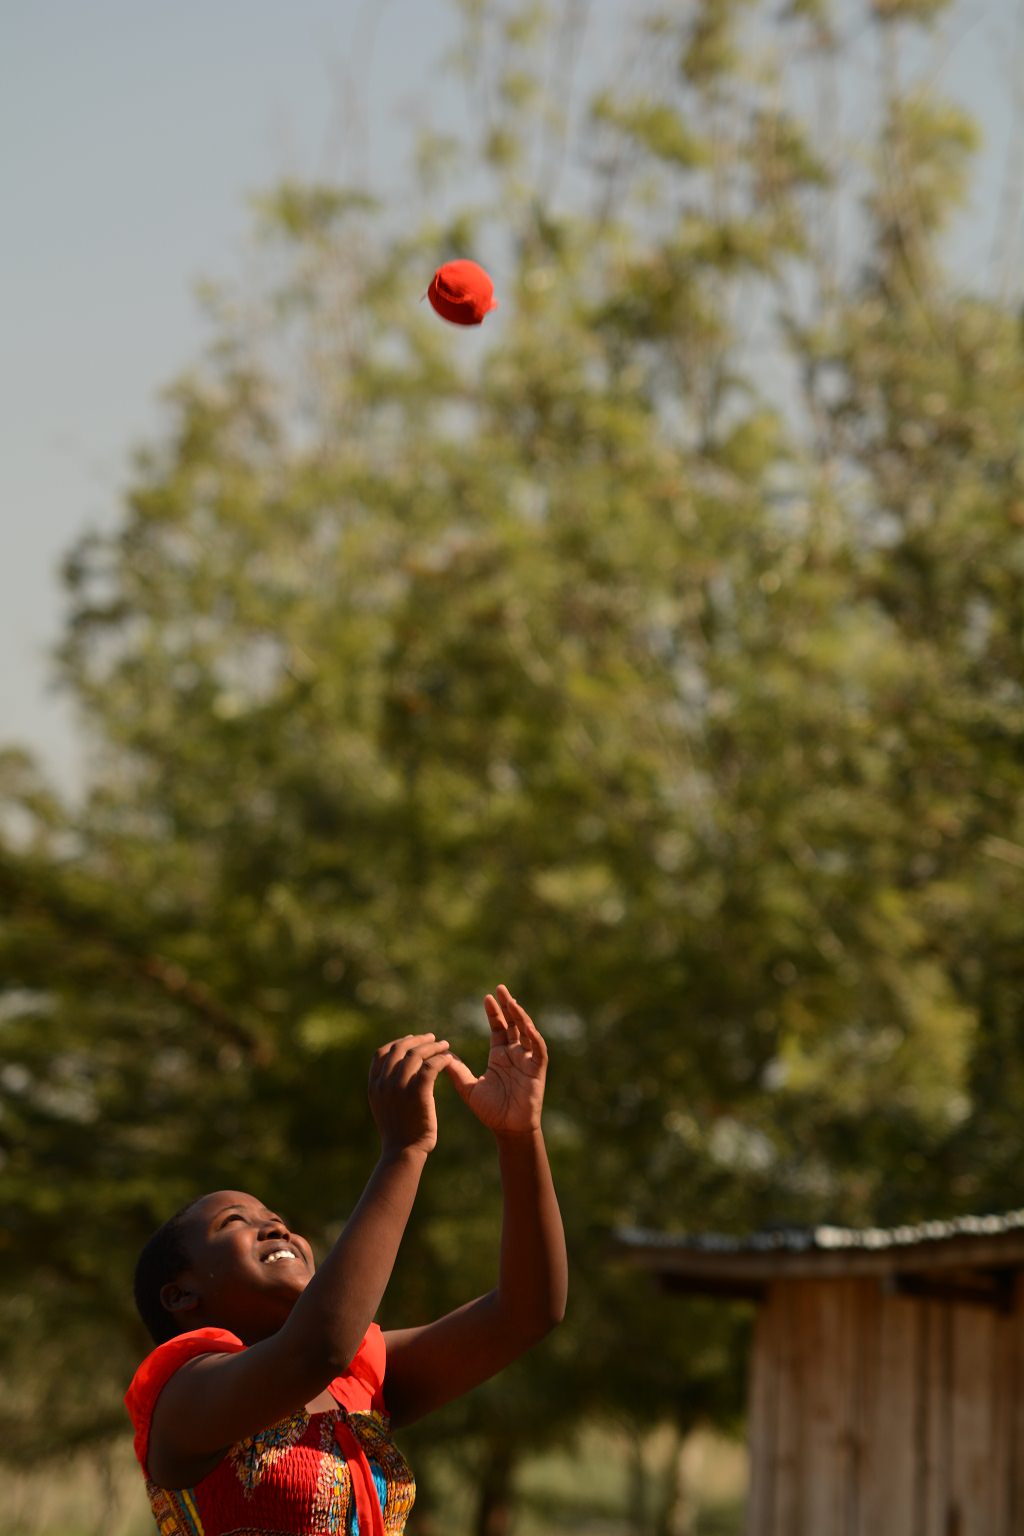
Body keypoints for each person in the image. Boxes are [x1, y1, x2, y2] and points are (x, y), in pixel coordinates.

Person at [125, 984, 567, 1536]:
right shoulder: (183, 1396)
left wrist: (520, 1136)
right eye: (233, 1222)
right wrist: (404, 1152)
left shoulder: (357, 1379)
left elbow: (528, 1313)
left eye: (274, 1216)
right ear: (181, 1295)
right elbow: (316, 1348)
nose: (274, 1225)